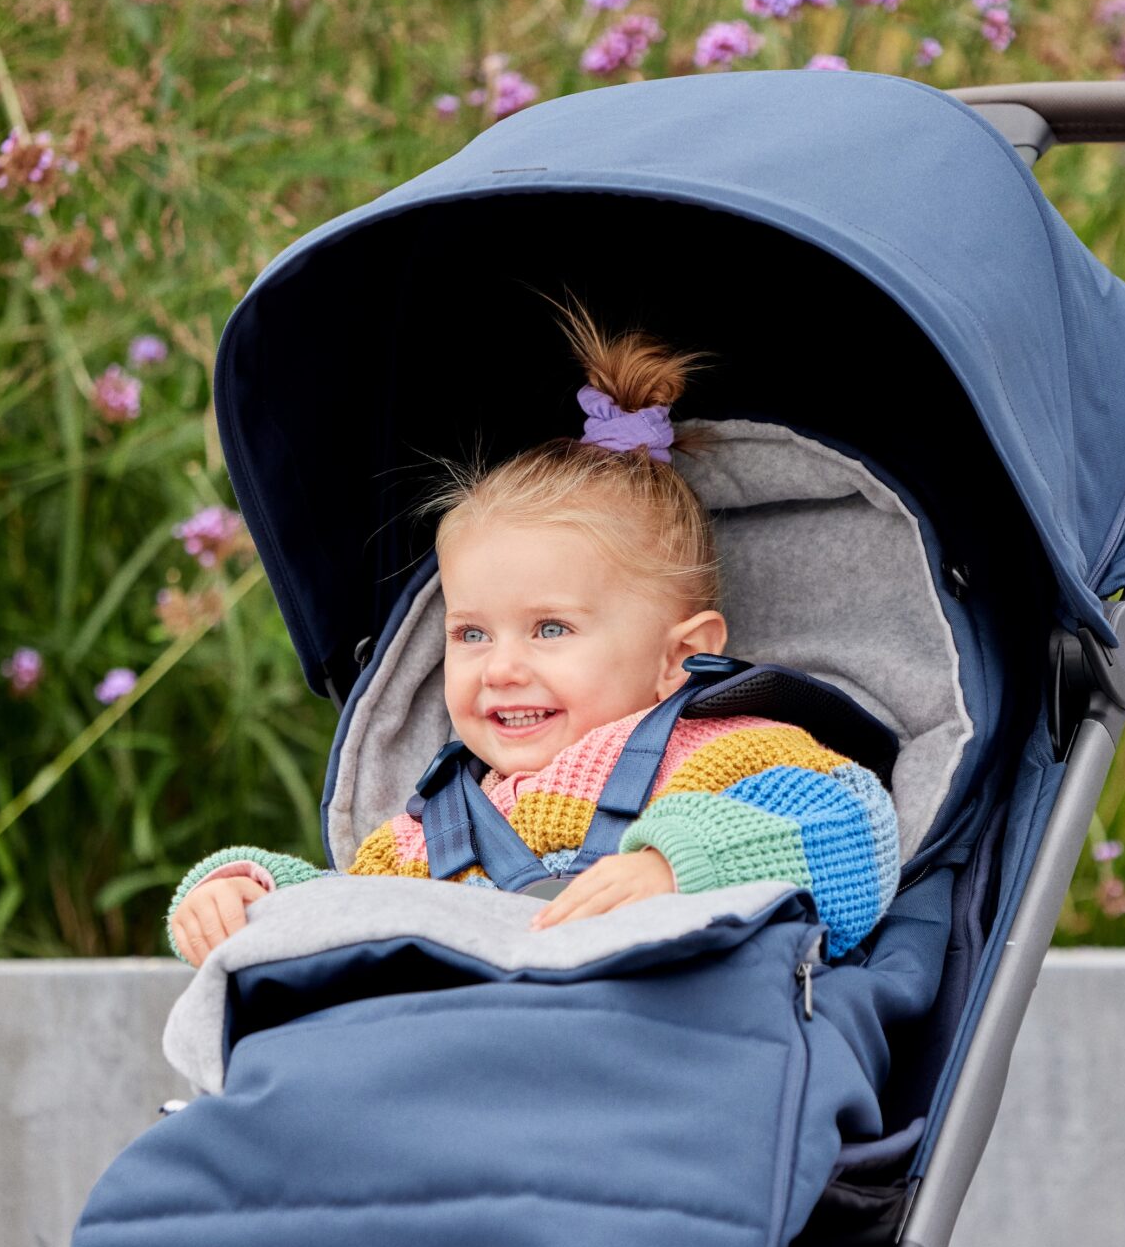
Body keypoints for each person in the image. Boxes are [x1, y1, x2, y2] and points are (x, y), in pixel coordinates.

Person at [165, 299, 899, 967]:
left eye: (549, 628)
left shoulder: (724, 756)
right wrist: (244, 890)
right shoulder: (428, 831)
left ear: (684, 655)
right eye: (472, 635)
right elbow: (349, 900)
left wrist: (674, 869)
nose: (501, 668)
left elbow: (855, 831)